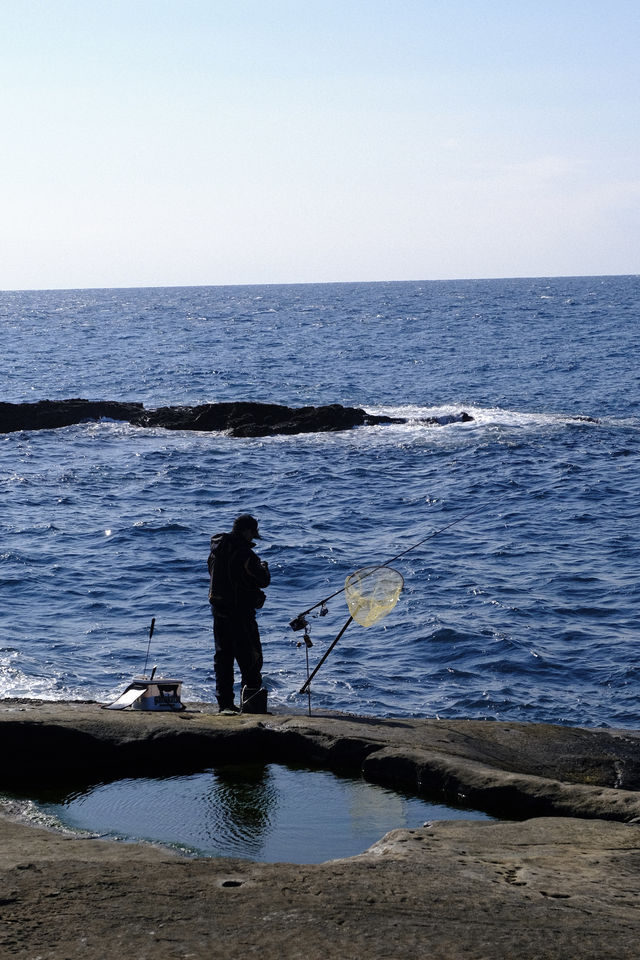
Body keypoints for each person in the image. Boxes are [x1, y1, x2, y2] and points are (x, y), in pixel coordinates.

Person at [208, 514, 271, 714]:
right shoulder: (245, 554)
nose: (253, 537)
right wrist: (264, 568)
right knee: (251, 658)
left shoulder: (215, 551)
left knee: (223, 659)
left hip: (219, 612)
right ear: (246, 531)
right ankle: (252, 706)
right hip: (240, 614)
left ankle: (225, 704)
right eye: (253, 533)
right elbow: (263, 580)